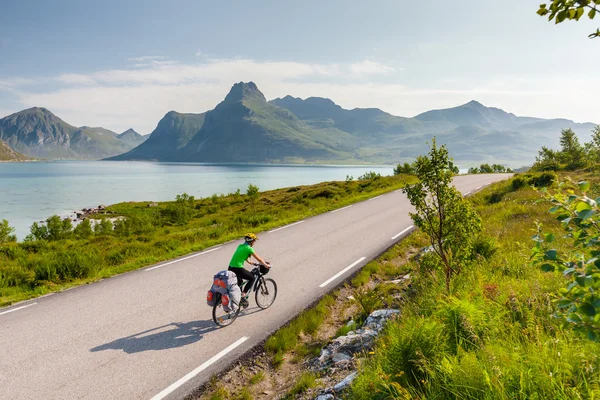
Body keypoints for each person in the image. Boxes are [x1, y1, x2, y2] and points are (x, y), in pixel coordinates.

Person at [228, 233, 270, 307]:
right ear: (251, 241)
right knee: (252, 278)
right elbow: (259, 259)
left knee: (239, 282)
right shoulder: (249, 248)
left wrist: (249, 262)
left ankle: (238, 299)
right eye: (254, 241)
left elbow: (241, 255)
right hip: (238, 268)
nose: (254, 243)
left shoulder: (240, 246)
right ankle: (243, 294)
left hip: (231, 267)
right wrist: (266, 265)